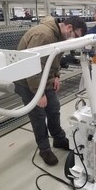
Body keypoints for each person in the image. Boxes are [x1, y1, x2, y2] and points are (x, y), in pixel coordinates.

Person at [15, 16, 87, 166]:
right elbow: (31, 66)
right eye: (76, 36)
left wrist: (56, 76)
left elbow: (55, 58)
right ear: (68, 28)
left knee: (53, 108)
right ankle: (44, 149)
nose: (74, 40)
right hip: (28, 81)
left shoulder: (59, 36)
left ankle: (59, 139)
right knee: (38, 115)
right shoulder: (44, 35)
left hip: (44, 78)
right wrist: (38, 94)